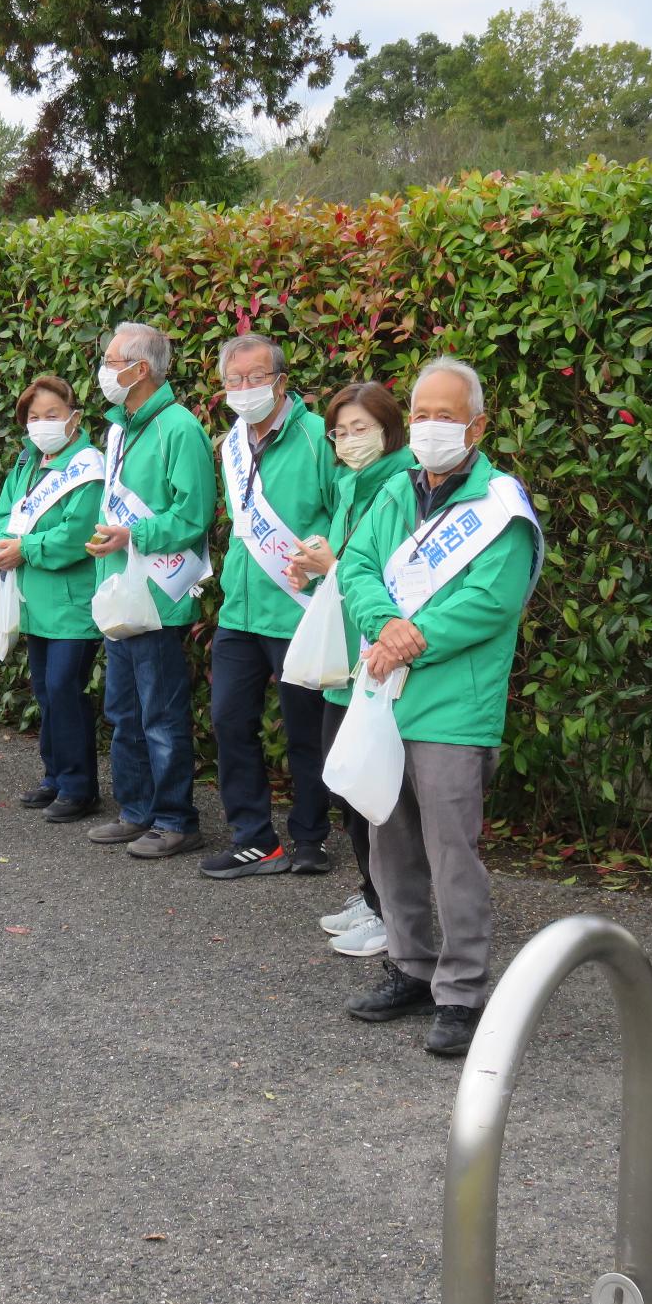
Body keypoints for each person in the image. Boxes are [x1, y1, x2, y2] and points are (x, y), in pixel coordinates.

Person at [335, 357, 542, 1059]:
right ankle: (412, 966)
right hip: (386, 696)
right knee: (388, 843)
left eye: (445, 416)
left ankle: (462, 990)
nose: (429, 427)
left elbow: (492, 598)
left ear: (477, 426)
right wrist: (383, 623)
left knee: (452, 852)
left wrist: (410, 637)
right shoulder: (393, 490)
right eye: (420, 413)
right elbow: (357, 567)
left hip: (456, 703)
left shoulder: (501, 506)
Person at [199, 334, 339, 879]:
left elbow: (344, 511)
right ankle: (254, 837)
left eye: (256, 378)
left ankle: (310, 837)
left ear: (281, 381)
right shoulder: (231, 443)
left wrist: (320, 551)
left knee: (305, 730)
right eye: (233, 381)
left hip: (297, 608)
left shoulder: (316, 438)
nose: (244, 390)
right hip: (240, 610)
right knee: (229, 721)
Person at [286, 382, 414, 953]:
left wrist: (332, 564)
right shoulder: (349, 487)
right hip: (346, 663)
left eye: (361, 428)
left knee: (372, 792)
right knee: (346, 787)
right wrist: (313, 567)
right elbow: (342, 567)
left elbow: (395, 579)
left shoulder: (402, 488)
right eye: (339, 431)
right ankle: (371, 894)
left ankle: (394, 912)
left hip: (379, 660)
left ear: (390, 429)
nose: (348, 441)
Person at [83, 323, 216, 859]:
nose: (104, 370)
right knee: (123, 711)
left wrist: (133, 533)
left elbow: (193, 513)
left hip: (159, 592)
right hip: (121, 589)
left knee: (160, 714)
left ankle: (175, 819)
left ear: (140, 369)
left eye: (112, 360)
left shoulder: (179, 428)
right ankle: (136, 811)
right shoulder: (121, 428)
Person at [0, 376, 107, 824]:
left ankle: (80, 787)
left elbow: (79, 532)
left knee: (63, 687)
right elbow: (7, 512)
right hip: (34, 598)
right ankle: (55, 775)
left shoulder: (88, 467)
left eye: (52, 415)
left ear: (74, 417)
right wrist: (7, 542)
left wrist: (26, 548)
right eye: (34, 417)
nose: (42, 424)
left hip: (73, 602)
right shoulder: (27, 463)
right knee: (45, 689)